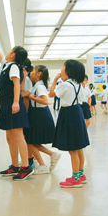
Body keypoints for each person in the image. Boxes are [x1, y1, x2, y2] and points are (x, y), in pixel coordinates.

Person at [0, 31, 33, 181]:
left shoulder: (13, 67)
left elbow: (16, 85)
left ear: (13, 55)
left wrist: (15, 102)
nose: (6, 52)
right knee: (9, 137)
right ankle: (15, 166)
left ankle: (25, 167)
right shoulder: (6, 65)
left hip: (14, 104)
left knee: (18, 135)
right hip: (6, 104)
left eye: (10, 50)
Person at [49, 60, 90, 188]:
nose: (61, 70)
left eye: (63, 68)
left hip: (68, 113)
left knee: (72, 149)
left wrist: (55, 79)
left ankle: (75, 178)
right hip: (78, 112)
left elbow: (51, 94)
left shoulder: (66, 85)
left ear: (69, 71)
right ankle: (81, 175)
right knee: (79, 147)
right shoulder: (79, 85)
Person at [25, 65, 61, 174]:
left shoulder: (40, 86)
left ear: (39, 74)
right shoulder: (37, 85)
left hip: (40, 115)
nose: (31, 72)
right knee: (32, 141)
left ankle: (45, 162)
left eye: (33, 70)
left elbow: (45, 101)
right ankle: (49, 157)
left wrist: (30, 96)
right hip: (37, 114)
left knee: (30, 141)